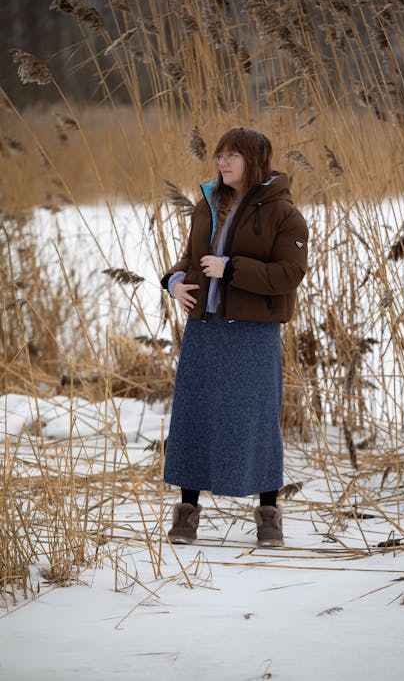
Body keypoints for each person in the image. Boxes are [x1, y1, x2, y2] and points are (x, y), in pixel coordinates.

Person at [160, 127, 308, 547]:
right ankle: (186, 514)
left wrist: (232, 269)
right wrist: (172, 281)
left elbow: (290, 274)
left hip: (253, 333)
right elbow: (191, 260)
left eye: (232, 156)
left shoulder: (283, 212)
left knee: (256, 422)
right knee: (194, 417)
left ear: (254, 160)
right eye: (220, 155)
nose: (222, 163)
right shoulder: (208, 205)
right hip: (204, 327)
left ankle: (268, 516)